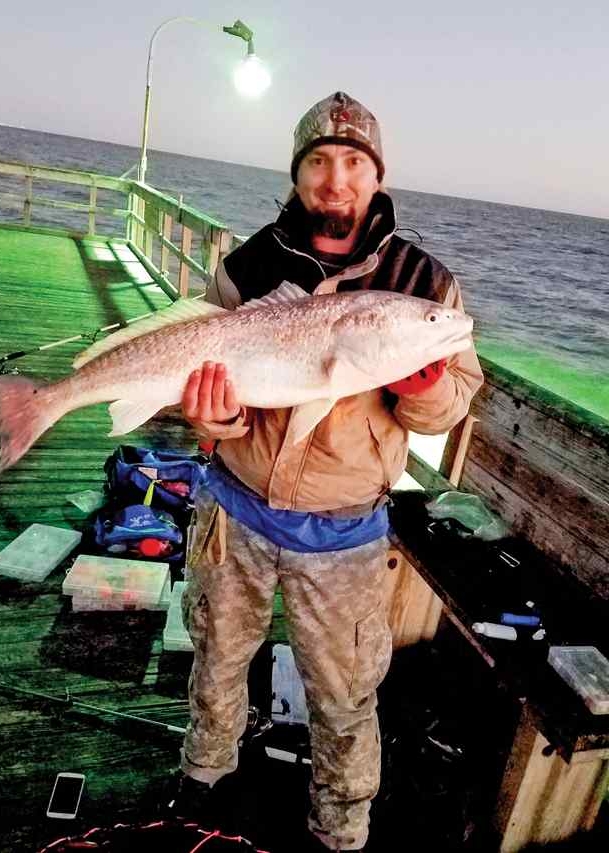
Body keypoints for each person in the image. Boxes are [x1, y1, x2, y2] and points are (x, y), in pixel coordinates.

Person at [174, 92, 483, 852]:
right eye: (318, 162)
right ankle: (201, 782)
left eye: (353, 163)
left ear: (376, 178)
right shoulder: (246, 266)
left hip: (345, 533)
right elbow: (208, 387)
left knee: (346, 698)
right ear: (298, 175)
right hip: (236, 511)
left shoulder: (423, 286)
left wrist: (424, 383)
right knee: (214, 662)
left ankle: (340, 827)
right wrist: (211, 420)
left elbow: (451, 404)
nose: (334, 179)